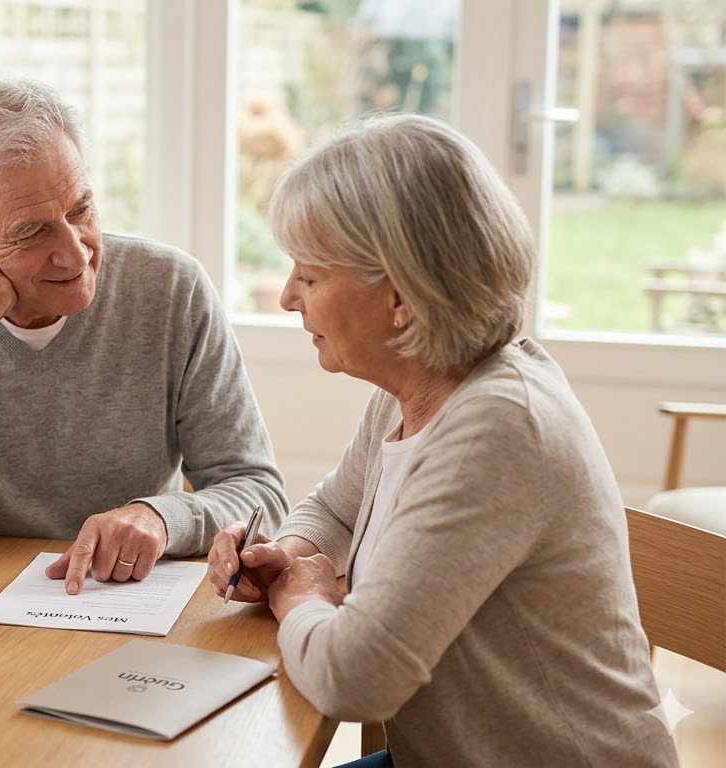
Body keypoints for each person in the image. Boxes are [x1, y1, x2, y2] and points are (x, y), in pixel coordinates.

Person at [206, 114, 675, 767]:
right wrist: (285, 554)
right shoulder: (413, 389)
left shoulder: (499, 428)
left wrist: (304, 596)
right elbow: (336, 509)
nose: (287, 297)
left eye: (309, 276)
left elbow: (356, 680)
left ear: (400, 297)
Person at [0, 77, 288, 594]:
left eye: (81, 210)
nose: (75, 253)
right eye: (32, 231)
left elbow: (258, 493)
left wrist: (162, 518)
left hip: (122, 599)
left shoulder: (170, 288)